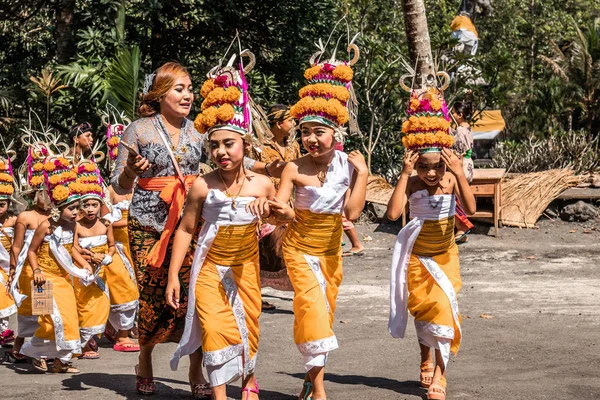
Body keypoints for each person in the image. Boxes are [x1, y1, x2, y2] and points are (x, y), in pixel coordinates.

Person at [168, 51, 272, 399]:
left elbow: (286, 218)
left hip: (246, 268)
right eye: (214, 146)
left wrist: (273, 211)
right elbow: (185, 229)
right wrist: (173, 276)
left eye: (228, 143)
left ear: (246, 143)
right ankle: (220, 395)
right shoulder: (202, 185)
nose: (221, 152)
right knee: (213, 328)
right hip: (209, 268)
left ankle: (248, 378)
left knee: (248, 326)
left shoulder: (263, 184)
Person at [270, 44, 368, 400]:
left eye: (319, 132)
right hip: (297, 249)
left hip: (331, 252)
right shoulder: (294, 167)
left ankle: (310, 381)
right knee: (312, 309)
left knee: (321, 314)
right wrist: (277, 210)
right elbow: (279, 205)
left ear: (335, 135)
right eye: (305, 132)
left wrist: (364, 174)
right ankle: (321, 389)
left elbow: (352, 215)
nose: (311, 139)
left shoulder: (347, 166)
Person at [110, 61, 208, 397]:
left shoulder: (199, 130)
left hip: (192, 220)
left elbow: (230, 161)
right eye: (179, 89)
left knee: (194, 293)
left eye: (190, 89)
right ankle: (146, 361)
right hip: (147, 225)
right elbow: (117, 185)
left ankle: (197, 369)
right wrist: (131, 173)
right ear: (161, 93)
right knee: (151, 295)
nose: (187, 95)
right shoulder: (138, 130)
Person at [387, 86, 476, 400]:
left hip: (445, 256)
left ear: (446, 163)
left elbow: (473, 209)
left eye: (437, 165)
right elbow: (394, 212)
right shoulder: (411, 182)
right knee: (423, 310)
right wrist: (404, 173)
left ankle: (441, 372)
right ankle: (425, 356)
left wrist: (458, 173)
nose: (431, 172)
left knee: (444, 309)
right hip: (417, 258)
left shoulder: (451, 180)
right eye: (423, 165)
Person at [21, 155, 93, 373]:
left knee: (69, 319)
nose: (75, 213)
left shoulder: (72, 226)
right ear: (57, 209)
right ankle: (34, 352)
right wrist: (37, 271)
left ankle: (61, 361)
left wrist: (83, 265)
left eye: (76, 208)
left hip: (63, 279)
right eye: (70, 209)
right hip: (42, 279)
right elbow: (31, 251)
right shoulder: (45, 226)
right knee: (47, 321)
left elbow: (70, 249)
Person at [7, 144, 52, 362]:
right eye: (43, 193)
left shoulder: (58, 214)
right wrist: (13, 271)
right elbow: (16, 246)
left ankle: (44, 351)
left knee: (47, 310)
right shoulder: (25, 216)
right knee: (30, 310)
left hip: (54, 267)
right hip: (30, 268)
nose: (47, 197)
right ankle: (22, 348)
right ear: (34, 194)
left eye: (50, 192)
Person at [254, 105, 301, 304]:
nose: (293, 125)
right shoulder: (259, 147)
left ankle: (300, 291)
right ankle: (256, 293)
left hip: (290, 207)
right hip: (266, 205)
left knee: (292, 250)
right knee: (265, 251)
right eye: (290, 120)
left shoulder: (294, 147)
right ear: (279, 123)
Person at [70, 160, 112, 359]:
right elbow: (74, 248)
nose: (90, 209)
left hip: (102, 270)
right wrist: (89, 257)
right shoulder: (76, 226)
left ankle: (91, 337)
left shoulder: (105, 224)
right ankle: (85, 342)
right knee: (83, 304)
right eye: (85, 205)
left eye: (94, 205)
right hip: (82, 270)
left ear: (100, 206)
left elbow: (112, 246)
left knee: (100, 304)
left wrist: (107, 257)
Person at [102, 184, 140, 348]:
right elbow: (103, 221)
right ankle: (121, 333)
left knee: (140, 285)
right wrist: (129, 220)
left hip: (137, 243)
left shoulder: (141, 186)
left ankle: (126, 326)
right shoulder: (110, 190)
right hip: (115, 245)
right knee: (122, 287)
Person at [451, 101, 475, 243]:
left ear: (460, 115)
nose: (453, 115)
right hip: (468, 163)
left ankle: (463, 225)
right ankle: (460, 227)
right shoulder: (467, 128)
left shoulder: (460, 130)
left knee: (455, 195)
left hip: (461, 164)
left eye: (454, 112)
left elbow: (459, 149)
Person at [0, 157, 17, 347]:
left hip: (9, 263)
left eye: (2, 204)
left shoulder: (13, 221)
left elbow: (17, 245)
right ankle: (3, 330)